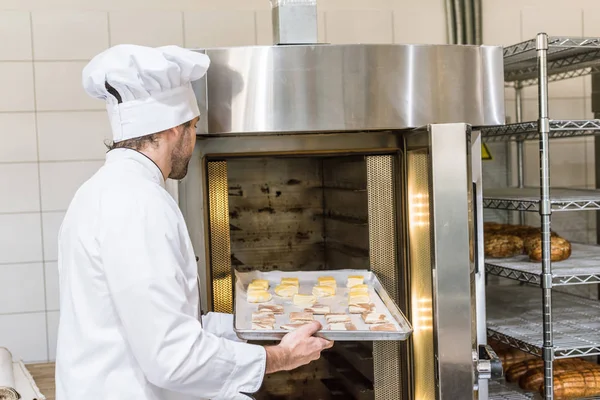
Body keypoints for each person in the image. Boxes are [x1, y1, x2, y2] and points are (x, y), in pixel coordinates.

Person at [54, 44, 333, 400]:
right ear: (174, 128)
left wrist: (260, 325)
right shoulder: (138, 205)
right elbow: (173, 356)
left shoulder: (100, 191)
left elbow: (170, 324)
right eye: (194, 126)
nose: (194, 138)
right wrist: (280, 357)